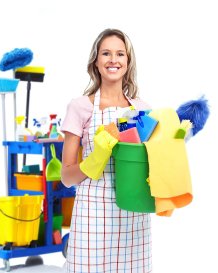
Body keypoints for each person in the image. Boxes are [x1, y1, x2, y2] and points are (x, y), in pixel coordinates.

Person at [61, 28, 152, 273]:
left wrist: (175, 141)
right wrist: (93, 161)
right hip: (93, 215)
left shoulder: (142, 110)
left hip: (134, 215)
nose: (113, 60)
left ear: (128, 61)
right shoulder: (79, 107)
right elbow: (66, 177)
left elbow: (152, 164)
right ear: (96, 61)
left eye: (120, 54)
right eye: (106, 53)